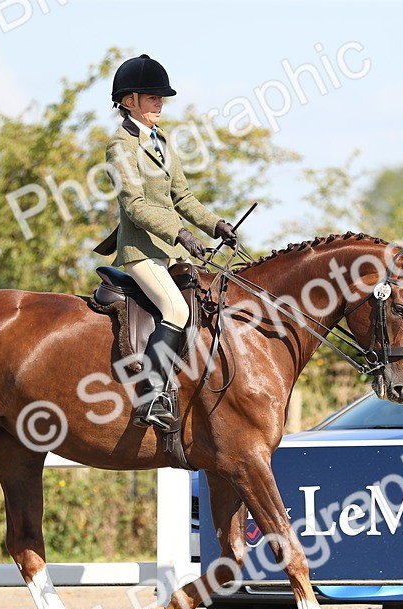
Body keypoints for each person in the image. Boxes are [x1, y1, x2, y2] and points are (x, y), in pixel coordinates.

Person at [94, 53, 238, 431]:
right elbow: (135, 205)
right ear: (129, 101)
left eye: (161, 98)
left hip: (170, 251)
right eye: (153, 98)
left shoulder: (162, 140)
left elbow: (183, 197)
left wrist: (215, 225)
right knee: (175, 310)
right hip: (141, 251)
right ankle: (151, 397)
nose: (160, 104)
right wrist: (181, 233)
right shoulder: (120, 147)